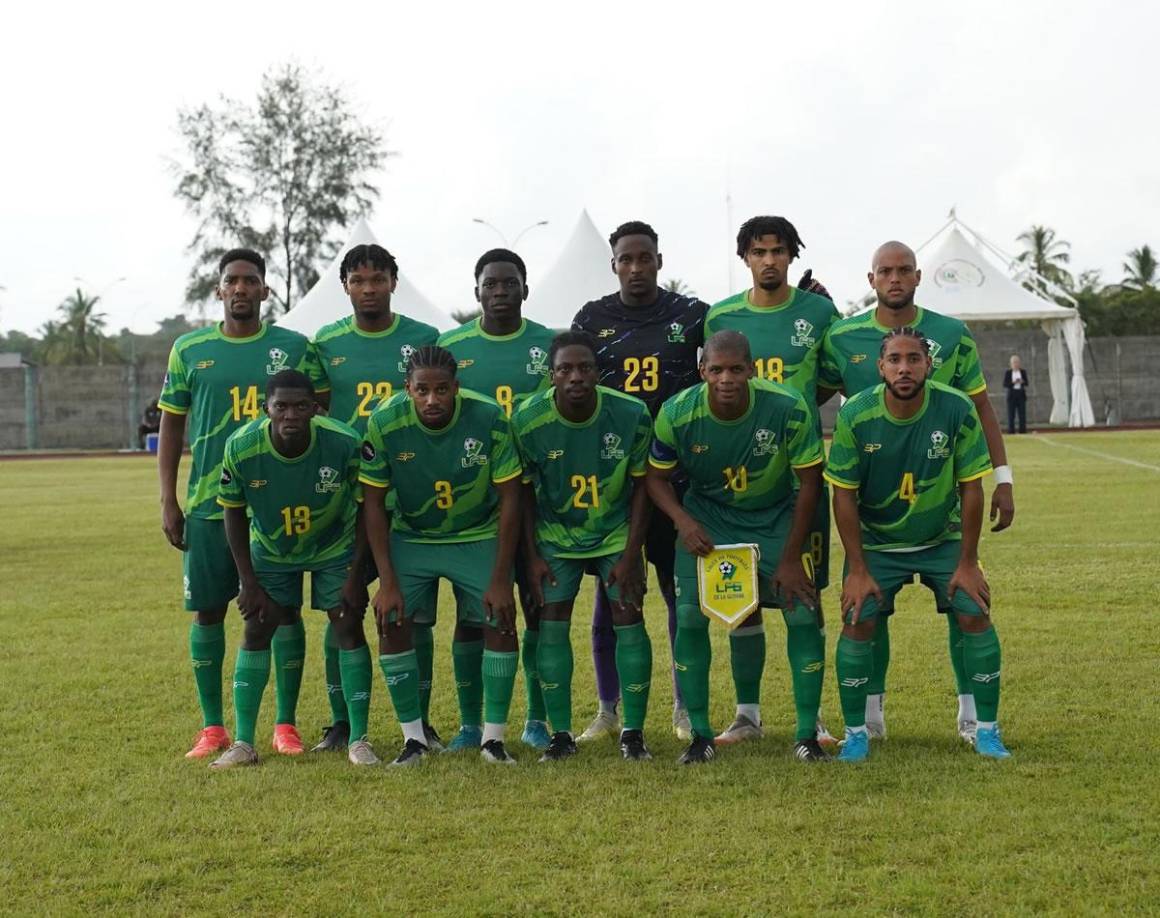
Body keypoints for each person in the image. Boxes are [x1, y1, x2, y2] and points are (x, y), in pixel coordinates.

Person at [819, 240, 1016, 743]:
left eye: (904, 269)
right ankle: (869, 720)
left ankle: (974, 717)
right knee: (866, 614)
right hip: (875, 511)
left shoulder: (951, 335)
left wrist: (1003, 477)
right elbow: (809, 393)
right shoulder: (842, 336)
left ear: (918, 275)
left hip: (940, 509)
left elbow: (982, 408)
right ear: (871, 279)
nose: (895, 278)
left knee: (966, 606)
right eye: (885, 271)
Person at [158, 248, 328, 760]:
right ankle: (212, 727)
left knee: (283, 611)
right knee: (208, 612)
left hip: (278, 506)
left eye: (249, 281)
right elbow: (171, 425)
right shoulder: (189, 350)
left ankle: (285, 724)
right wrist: (168, 497)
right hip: (211, 502)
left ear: (265, 290)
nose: (240, 289)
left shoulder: (295, 347)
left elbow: (323, 413)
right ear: (218, 290)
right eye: (231, 281)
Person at [646, 331, 829, 764]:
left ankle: (807, 733)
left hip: (774, 516)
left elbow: (809, 482)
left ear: (752, 369)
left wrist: (788, 557)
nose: (726, 378)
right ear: (701, 371)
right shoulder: (677, 413)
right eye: (716, 370)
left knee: (801, 612)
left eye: (735, 369)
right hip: (708, 521)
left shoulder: (787, 406)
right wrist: (684, 522)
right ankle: (701, 735)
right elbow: (654, 478)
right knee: (690, 618)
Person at [570, 220, 710, 743]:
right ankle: (609, 708)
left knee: (680, 597)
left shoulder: (691, 315)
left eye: (643, 258)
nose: (635, 267)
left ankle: (681, 704)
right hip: (617, 480)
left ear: (659, 260)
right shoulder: (591, 317)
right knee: (614, 593)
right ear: (613, 265)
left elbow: (728, 351)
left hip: (675, 478)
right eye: (625, 259)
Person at [704, 215, 840, 747]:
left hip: (797, 478)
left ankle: (816, 716)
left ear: (791, 256)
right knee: (744, 598)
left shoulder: (819, 312)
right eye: (758, 251)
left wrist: (791, 414)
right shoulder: (722, 315)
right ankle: (747, 715)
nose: (768, 260)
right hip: (734, 484)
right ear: (744, 258)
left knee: (806, 594)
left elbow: (828, 380)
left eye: (778, 251)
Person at [360, 345, 524, 766]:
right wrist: (388, 581)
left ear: (456, 387)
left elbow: (511, 497)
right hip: (413, 536)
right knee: (392, 619)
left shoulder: (489, 417)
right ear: (407, 389)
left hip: (476, 532)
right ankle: (413, 739)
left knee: (500, 620)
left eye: (441, 390)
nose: (432, 400)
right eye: (422, 391)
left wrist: (501, 577)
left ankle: (493, 740)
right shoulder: (383, 422)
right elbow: (373, 505)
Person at [310, 243, 441, 753]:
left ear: (393, 282)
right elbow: (318, 414)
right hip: (346, 493)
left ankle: (422, 722)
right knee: (341, 605)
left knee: (415, 611)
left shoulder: (423, 338)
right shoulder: (325, 342)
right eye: (358, 280)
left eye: (377, 279)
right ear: (344, 286)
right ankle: (341, 721)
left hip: (406, 491)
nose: (368, 289)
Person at [210, 371, 375, 767]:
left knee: (347, 622)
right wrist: (247, 582)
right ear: (265, 408)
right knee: (258, 626)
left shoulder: (344, 443)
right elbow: (232, 513)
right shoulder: (243, 446)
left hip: (334, 546)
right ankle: (244, 743)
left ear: (315, 409)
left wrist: (356, 575)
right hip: (271, 549)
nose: (290, 415)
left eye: (301, 406)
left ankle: (358, 739)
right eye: (280, 406)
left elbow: (368, 507)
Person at [513, 331, 655, 762]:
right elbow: (520, 494)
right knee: (551, 620)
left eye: (584, 368)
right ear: (551, 375)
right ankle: (560, 735)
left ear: (598, 372)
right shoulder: (528, 419)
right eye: (565, 369)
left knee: (628, 614)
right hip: (556, 534)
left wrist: (633, 555)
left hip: (614, 530)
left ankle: (632, 732)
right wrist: (532, 556)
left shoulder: (630, 413)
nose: (575, 376)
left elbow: (643, 488)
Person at [437, 249, 556, 752]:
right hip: (475, 502)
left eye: (511, 283)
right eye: (491, 284)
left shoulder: (550, 345)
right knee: (473, 616)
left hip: (538, 492)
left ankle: (536, 719)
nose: (501, 291)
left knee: (535, 606)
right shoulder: (450, 346)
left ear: (525, 289)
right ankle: (470, 724)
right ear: (477, 291)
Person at [1003, 356, 1029, 434]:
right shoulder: (1008, 372)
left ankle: (1022, 430)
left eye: (1017, 362)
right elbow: (1005, 384)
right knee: (1011, 414)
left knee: (1022, 414)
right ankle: (1011, 431)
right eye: (1014, 363)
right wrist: (1013, 382)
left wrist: (1022, 381)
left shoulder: (1023, 372)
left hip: (1021, 394)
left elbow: (1027, 383)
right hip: (1012, 395)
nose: (1016, 364)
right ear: (1011, 364)